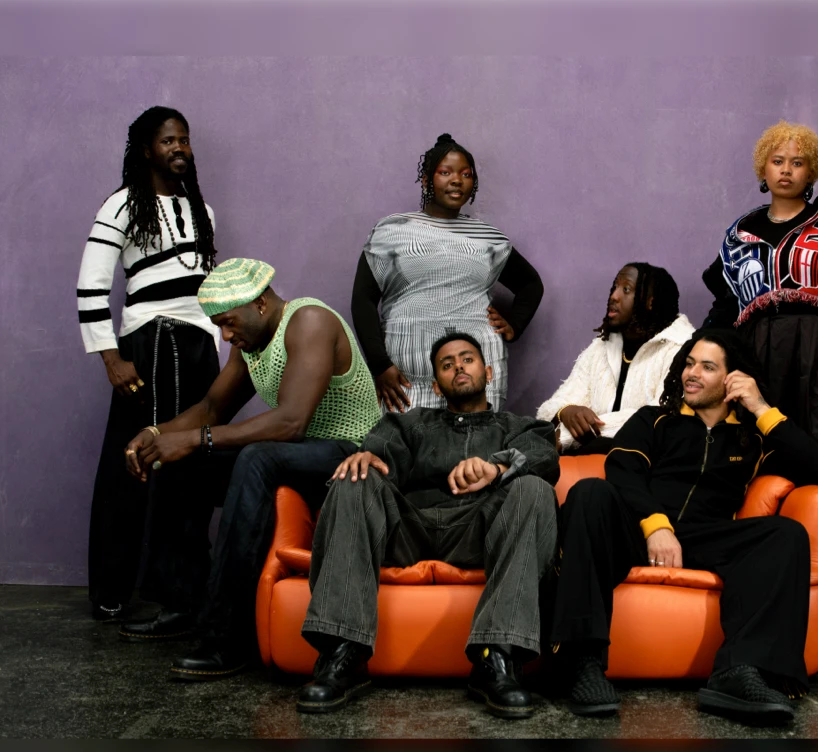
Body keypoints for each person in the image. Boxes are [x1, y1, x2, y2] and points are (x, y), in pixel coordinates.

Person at [550, 328, 818, 725]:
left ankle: (740, 671)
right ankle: (584, 664)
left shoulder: (751, 439)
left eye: (707, 367)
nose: (691, 373)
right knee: (589, 493)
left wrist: (760, 407)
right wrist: (657, 526)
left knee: (786, 534)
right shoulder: (654, 420)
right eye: (689, 363)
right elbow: (623, 470)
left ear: (734, 379)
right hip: (636, 532)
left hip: (706, 537)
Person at [120, 258, 381, 680]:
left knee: (255, 456)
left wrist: (194, 438)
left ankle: (228, 638)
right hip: (298, 453)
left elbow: (290, 422)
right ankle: (184, 603)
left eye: (228, 323)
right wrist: (156, 435)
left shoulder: (309, 320)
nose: (225, 336)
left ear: (260, 303)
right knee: (179, 460)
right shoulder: (250, 343)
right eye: (219, 327)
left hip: (348, 456)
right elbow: (212, 408)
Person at [296, 333, 559, 719]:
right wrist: (366, 457)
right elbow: (381, 454)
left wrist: (497, 467)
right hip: (409, 530)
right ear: (436, 385)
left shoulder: (519, 427)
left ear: (487, 372)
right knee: (356, 476)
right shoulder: (410, 424)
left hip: (479, 532)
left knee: (534, 489)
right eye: (447, 365)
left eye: (467, 359)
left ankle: (498, 658)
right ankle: (342, 654)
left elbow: (543, 456)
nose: (458, 367)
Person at [701, 120, 818, 644]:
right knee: (756, 458)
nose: (786, 170)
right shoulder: (740, 234)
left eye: (798, 162)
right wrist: (703, 356)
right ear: (763, 168)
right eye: (777, 161)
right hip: (758, 357)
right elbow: (725, 304)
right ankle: (761, 580)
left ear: (812, 171)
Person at [77, 106, 219, 622]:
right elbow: (91, 285)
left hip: (198, 344)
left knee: (191, 465)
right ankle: (113, 590)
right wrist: (111, 357)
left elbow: (207, 288)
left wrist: (218, 345)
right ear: (145, 150)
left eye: (184, 139)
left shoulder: (201, 210)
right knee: (133, 463)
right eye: (167, 140)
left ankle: (183, 588)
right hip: (148, 343)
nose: (179, 148)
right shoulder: (121, 205)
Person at [351, 133, 544, 413]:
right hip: (404, 372)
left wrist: (514, 323)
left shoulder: (488, 238)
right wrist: (380, 364)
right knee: (404, 440)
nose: (457, 180)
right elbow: (363, 300)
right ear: (426, 181)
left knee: (479, 440)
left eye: (466, 174)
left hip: (477, 371)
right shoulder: (391, 231)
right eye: (445, 173)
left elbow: (530, 284)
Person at [536, 263, 694, 454]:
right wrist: (565, 411)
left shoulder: (682, 349)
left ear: (650, 302)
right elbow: (551, 407)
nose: (614, 296)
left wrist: (569, 435)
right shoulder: (601, 346)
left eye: (626, 289)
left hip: (647, 460)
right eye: (614, 287)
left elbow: (661, 418)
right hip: (590, 457)